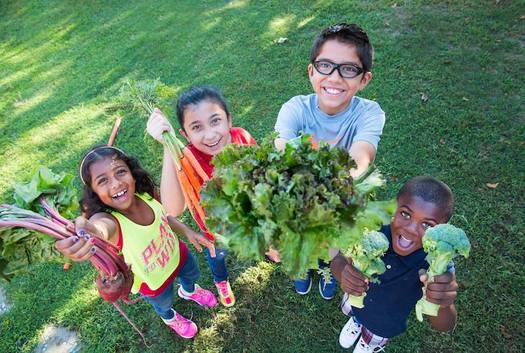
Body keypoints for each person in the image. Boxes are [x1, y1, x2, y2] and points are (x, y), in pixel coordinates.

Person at [55, 146, 218, 339]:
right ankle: (169, 317)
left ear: (132, 174)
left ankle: (189, 291)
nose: (115, 184)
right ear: (95, 193)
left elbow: (163, 217)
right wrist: (88, 228)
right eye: (103, 181)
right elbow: (100, 229)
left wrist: (187, 231)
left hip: (178, 255)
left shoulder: (145, 195)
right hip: (153, 281)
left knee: (192, 274)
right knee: (163, 304)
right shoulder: (111, 222)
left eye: (120, 172)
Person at [273, 23, 385, 299]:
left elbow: (361, 156)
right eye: (326, 66)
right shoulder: (295, 108)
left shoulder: (370, 113)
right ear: (312, 71)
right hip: (300, 198)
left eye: (348, 69)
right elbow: (281, 146)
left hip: (342, 197)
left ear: (364, 79)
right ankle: (304, 267)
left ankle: (328, 267)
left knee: (336, 241)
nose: (334, 78)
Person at [146, 85, 256, 307]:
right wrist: (167, 146)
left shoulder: (241, 137)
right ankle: (221, 280)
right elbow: (173, 209)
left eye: (215, 121)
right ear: (185, 134)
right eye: (197, 127)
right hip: (214, 232)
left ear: (229, 119)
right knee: (217, 258)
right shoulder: (186, 160)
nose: (210, 134)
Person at [331, 176, 460, 352]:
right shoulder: (371, 230)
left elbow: (445, 326)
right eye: (405, 214)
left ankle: (367, 343)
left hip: (386, 321)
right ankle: (355, 323)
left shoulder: (437, 264)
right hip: (356, 302)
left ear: (442, 230)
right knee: (356, 315)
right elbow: (339, 259)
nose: (411, 229)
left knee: (373, 337)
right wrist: (344, 271)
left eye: (427, 225)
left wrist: (444, 302)